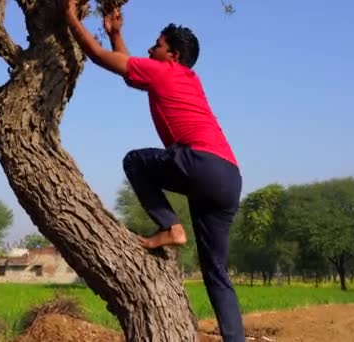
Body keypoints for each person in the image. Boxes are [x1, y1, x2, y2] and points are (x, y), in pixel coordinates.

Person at [62, 1, 245, 341]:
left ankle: (171, 228)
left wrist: (70, 16)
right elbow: (131, 72)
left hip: (200, 163)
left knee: (135, 161)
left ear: (172, 54)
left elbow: (102, 58)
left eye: (157, 45)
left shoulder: (162, 71)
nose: (150, 48)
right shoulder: (184, 76)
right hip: (228, 177)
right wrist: (117, 33)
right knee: (217, 274)